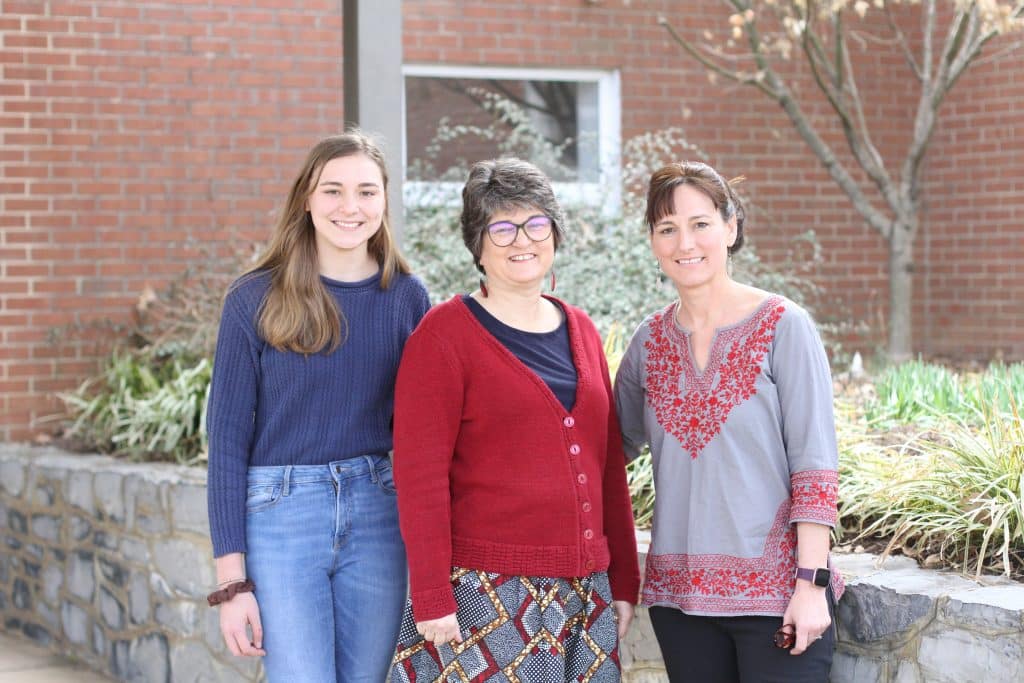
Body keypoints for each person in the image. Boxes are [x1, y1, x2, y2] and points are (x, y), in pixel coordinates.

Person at [389, 158, 640, 682]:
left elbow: (608, 469)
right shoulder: (443, 337)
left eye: (535, 224)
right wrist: (432, 594)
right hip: (486, 595)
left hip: (585, 594)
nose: (521, 240)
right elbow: (420, 477)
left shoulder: (582, 329)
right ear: (477, 245)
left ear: (555, 234)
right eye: (501, 228)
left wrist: (622, 580)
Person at [205, 131, 431, 682]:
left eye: (366, 191)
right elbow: (227, 440)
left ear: (384, 201)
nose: (350, 207)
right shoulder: (253, 298)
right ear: (306, 199)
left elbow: (425, 433)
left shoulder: (408, 297)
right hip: (281, 517)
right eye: (333, 190)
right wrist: (232, 584)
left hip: (378, 512)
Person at [613, 161, 844, 682]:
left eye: (700, 224)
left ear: (731, 228)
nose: (685, 243)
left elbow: (814, 467)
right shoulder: (648, 343)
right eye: (667, 228)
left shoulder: (784, 325)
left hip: (778, 598)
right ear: (652, 241)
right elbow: (602, 453)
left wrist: (810, 585)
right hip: (680, 603)